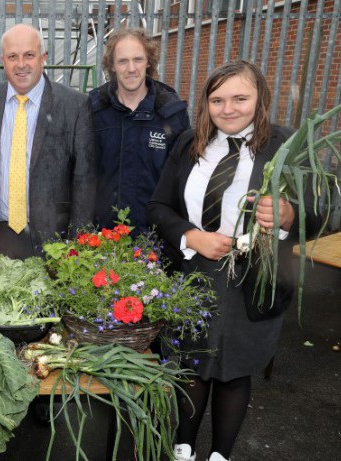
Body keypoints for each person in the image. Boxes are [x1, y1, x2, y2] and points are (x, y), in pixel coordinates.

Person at [147, 60, 319, 461]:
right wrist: (192, 236)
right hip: (192, 275)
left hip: (253, 280)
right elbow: (157, 206)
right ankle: (183, 446)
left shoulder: (286, 146)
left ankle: (221, 454)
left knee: (233, 372)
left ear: (259, 99)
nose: (228, 109)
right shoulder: (189, 144)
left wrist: (290, 214)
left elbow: (325, 209)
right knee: (191, 364)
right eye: (217, 99)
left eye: (240, 98)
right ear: (206, 103)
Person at [0, 23, 96, 259]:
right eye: (12, 56)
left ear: (43, 57)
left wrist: (78, 243)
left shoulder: (74, 105)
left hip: (53, 239)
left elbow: (85, 180)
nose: (21, 64)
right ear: (3, 60)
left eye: (29, 55)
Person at [90, 28, 190, 234]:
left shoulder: (171, 113)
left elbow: (183, 179)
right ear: (112, 66)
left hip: (156, 236)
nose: (131, 68)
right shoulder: (93, 109)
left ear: (149, 62)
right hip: (101, 236)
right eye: (122, 61)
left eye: (138, 59)